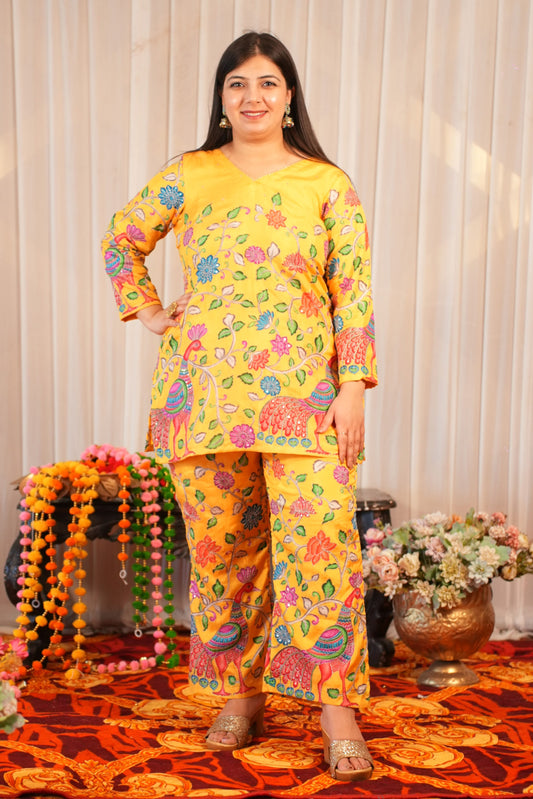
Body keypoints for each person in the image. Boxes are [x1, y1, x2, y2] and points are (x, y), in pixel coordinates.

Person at [102, 31, 378, 782]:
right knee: (224, 553)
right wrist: (148, 310)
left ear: (289, 98)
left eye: (267, 83)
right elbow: (122, 240)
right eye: (237, 83)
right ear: (222, 100)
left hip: (307, 399)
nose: (252, 96)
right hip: (204, 397)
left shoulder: (326, 183)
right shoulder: (188, 174)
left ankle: (336, 710)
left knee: (321, 549)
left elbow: (352, 291)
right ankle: (241, 694)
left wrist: (354, 385)